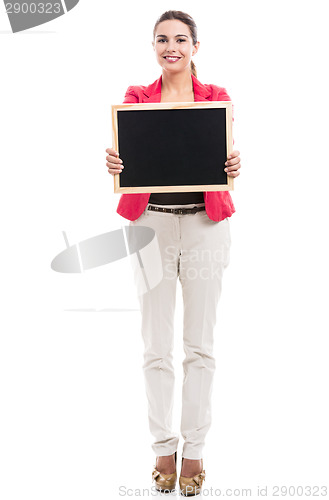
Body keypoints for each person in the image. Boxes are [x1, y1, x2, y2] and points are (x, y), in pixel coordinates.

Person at [105, 10, 241, 495]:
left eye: (181, 39)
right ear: (154, 47)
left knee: (200, 346)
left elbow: (222, 154)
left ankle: (196, 450)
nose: (171, 47)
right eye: (162, 39)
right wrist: (116, 160)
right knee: (155, 346)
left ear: (195, 47)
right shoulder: (137, 99)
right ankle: (163, 446)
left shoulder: (216, 99)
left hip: (206, 227)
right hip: (151, 227)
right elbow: (128, 157)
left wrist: (233, 160)